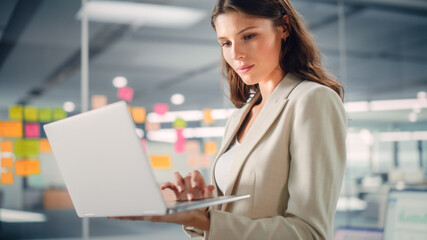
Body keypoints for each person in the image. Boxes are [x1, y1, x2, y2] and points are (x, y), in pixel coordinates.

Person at [112, 0, 347, 239]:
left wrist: (206, 221)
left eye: (249, 36)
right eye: (226, 43)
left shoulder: (312, 100)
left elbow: (309, 233)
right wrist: (199, 210)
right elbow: (234, 217)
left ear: (284, 28)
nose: (236, 54)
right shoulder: (239, 117)